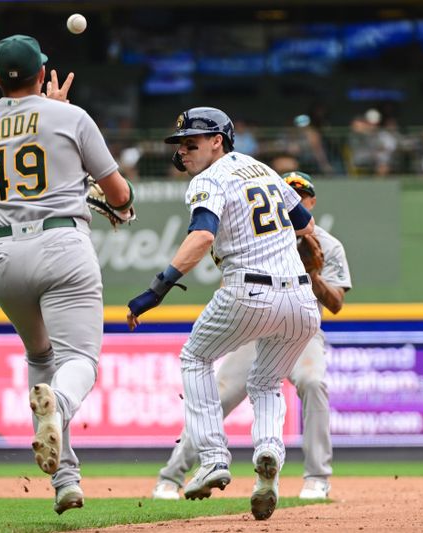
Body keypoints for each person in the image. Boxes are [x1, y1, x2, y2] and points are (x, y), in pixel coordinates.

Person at [126, 107, 320, 521]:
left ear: (218, 140)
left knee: (194, 357)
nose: (184, 149)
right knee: (265, 382)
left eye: (192, 141)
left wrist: (156, 289)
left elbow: (202, 236)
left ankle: (214, 458)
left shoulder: (209, 179)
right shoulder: (262, 169)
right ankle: (268, 450)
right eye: (180, 143)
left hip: (248, 289)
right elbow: (305, 223)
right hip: (302, 300)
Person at [0, 34, 134, 515]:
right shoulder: (71, 116)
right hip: (61, 245)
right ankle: (58, 407)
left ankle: (65, 480)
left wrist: (43, 109)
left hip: (3, 256)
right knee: (80, 360)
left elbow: (23, 132)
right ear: (43, 73)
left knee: (40, 356)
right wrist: (122, 205)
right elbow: (117, 192)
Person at [151, 170, 352, 502]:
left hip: (301, 334)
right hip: (253, 330)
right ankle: (171, 476)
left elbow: (336, 303)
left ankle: (317, 478)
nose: (293, 200)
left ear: (310, 202)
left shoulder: (327, 244)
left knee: (314, 383)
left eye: (299, 195)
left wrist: (311, 275)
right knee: (217, 396)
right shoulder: (252, 236)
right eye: (287, 194)